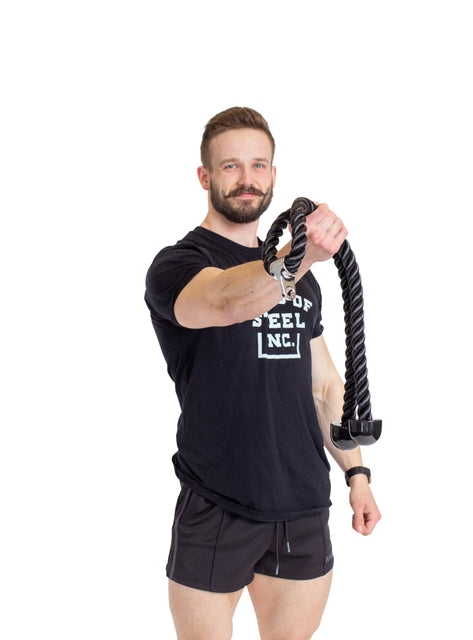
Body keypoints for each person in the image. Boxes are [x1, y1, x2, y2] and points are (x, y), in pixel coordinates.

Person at [145, 107, 381, 640]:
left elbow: (322, 387)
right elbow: (227, 299)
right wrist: (299, 260)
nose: (247, 179)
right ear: (205, 177)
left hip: (302, 502)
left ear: (274, 174)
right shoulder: (178, 265)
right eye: (230, 167)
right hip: (216, 501)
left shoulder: (305, 280)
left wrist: (357, 475)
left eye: (258, 165)